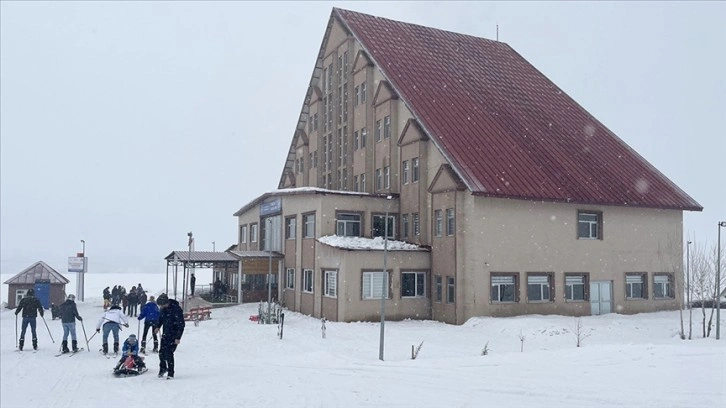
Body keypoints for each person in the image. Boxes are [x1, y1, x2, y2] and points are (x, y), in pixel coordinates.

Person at [153, 294, 185, 379]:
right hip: (165, 333)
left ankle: (171, 373)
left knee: (169, 353)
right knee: (161, 353)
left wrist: (178, 337)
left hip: (174, 335)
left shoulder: (176, 309)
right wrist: (157, 326)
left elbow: (181, 325)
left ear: (165, 303)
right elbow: (161, 319)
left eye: (161, 305)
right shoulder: (163, 309)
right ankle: (163, 368)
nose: (160, 307)